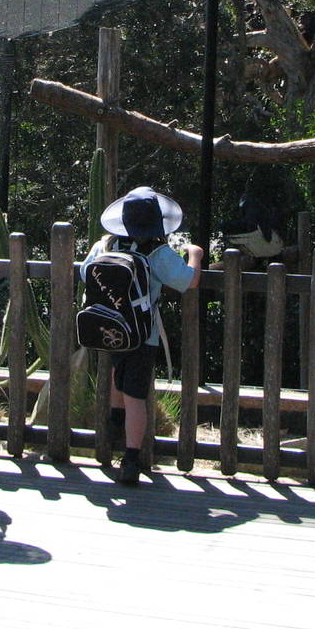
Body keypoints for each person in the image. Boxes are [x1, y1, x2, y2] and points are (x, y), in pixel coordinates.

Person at [91, 186, 204, 486]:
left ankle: (114, 423)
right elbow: (188, 281)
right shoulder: (158, 252)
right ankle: (131, 459)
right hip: (143, 334)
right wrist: (195, 255)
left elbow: (85, 272)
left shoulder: (106, 244)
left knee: (117, 374)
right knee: (136, 396)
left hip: (109, 328)